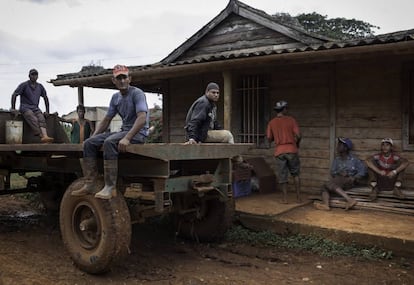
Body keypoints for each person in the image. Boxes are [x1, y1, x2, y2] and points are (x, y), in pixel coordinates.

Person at [71, 64, 149, 199]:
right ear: (114, 81)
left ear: (129, 78)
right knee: (89, 143)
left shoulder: (137, 93)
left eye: (124, 77)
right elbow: (107, 120)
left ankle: (110, 187)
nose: (122, 81)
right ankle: (89, 183)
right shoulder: (115, 98)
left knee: (109, 142)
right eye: (119, 78)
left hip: (138, 133)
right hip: (124, 131)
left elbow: (142, 119)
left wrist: (127, 138)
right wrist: (93, 138)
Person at [315, 137, 367, 211]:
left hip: (349, 181)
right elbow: (333, 172)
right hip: (338, 180)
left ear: (346, 148)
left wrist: (354, 178)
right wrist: (339, 172)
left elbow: (363, 171)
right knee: (325, 186)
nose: (338, 146)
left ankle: (349, 200)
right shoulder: (337, 160)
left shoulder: (354, 160)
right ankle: (326, 205)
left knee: (327, 184)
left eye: (340, 145)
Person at [266, 100, 301, 204]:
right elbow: (298, 135)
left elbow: (269, 138)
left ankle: (285, 199)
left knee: (283, 176)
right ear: (284, 109)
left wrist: (275, 138)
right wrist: (297, 144)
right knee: (296, 174)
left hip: (279, 151)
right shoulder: (291, 120)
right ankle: (298, 198)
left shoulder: (272, 122)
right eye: (287, 108)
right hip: (291, 149)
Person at [10, 68, 54, 143]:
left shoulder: (40, 86)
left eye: (36, 75)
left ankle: (45, 136)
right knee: (32, 117)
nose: (34, 76)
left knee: (41, 118)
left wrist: (47, 111)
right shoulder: (24, 85)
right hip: (25, 107)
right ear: (29, 76)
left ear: (38, 76)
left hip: (35, 108)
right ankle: (40, 135)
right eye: (32, 75)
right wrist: (13, 108)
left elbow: (45, 98)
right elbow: (14, 95)